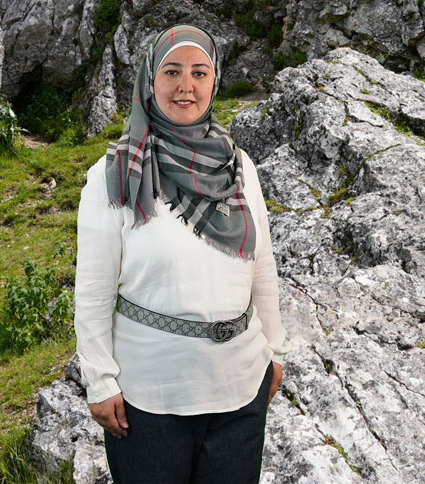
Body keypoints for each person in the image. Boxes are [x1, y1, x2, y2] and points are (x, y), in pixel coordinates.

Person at [74, 24, 290, 484]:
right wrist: (100, 380)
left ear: (215, 81)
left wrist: (272, 349)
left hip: (240, 390)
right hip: (150, 401)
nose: (186, 86)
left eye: (199, 72)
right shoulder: (113, 174)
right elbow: (92, 291)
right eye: (172, 71)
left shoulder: (238, 165)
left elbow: (262, 266)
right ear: (150, 80)